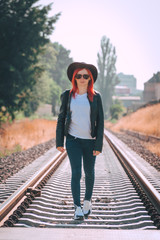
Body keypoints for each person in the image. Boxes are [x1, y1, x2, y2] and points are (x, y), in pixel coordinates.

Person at [56, 62, 104, 220]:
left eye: (85, 76)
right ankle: (77, 207)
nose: (82, 78)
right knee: (76, 173)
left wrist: (98, 145)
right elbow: (61, 118)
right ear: (74, 78)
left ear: (90, 79)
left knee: (89, 173)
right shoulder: (67, 95)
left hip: (90, 142)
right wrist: (59, 142)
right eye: (79, 75)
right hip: (73, 140)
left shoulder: (96, 97)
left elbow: (101, 122)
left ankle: (87, 202)